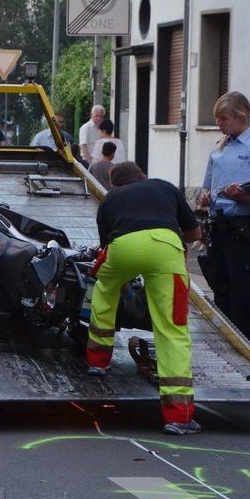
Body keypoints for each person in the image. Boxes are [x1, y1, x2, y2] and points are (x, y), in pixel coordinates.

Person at [89, 161, 203, 435]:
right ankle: (179, 417)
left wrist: (123, 280)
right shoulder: (163, 186)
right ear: (143, 177)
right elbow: (195, 233)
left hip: (123, 248)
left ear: (115, 185)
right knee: (171, 327)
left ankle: (97, 361)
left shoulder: (110, 199)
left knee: (104, 289)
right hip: (165, 247)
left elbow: (106, 244)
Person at [197, 91, 250, 352]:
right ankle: (227, 357)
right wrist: (206, 197)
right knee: (221, 298)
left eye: (223, 118)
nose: (219, 124)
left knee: (244, 302)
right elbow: (205, 189)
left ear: (240, 116)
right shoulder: (220, 146)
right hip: (219, 229)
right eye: (217, 119)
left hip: (244, 230)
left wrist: (242, 195)